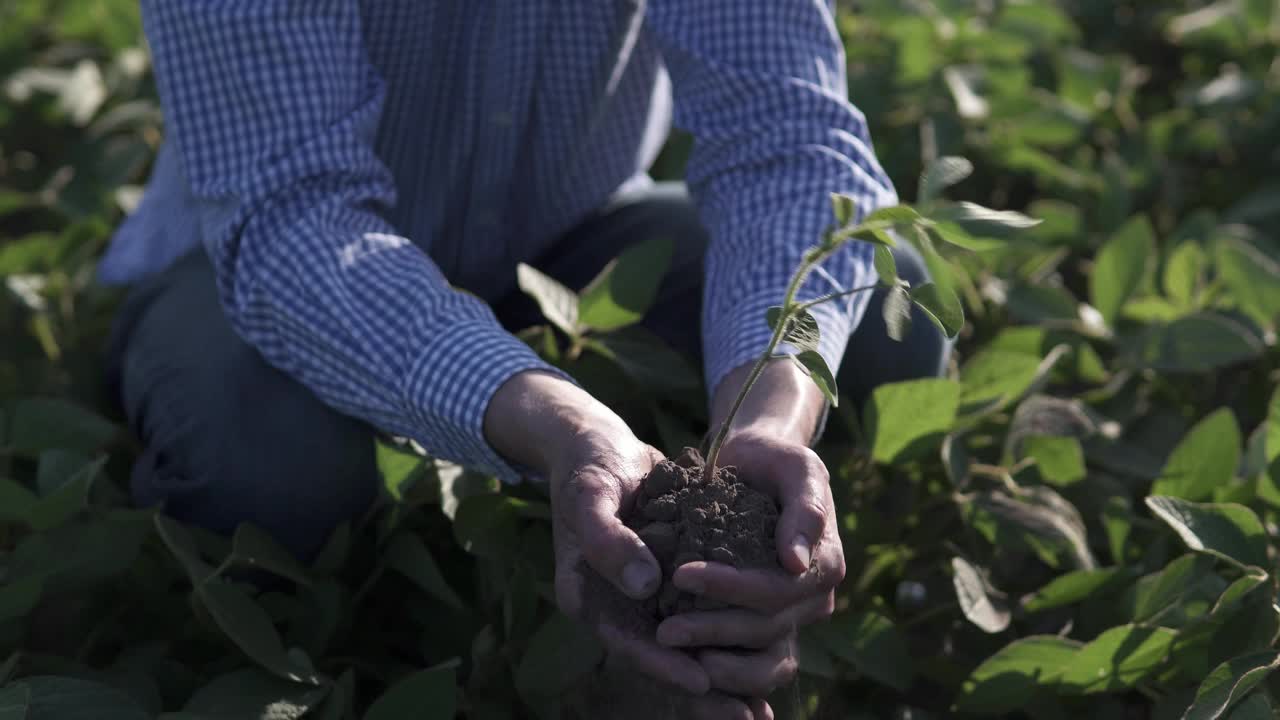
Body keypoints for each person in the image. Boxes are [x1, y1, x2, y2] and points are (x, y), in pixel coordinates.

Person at [100, 3, 949, 718]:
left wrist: (769, 415)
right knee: (270, 471)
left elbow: (789, 141)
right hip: (260, 269)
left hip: (566, 244)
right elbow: (289, 216)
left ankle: (704, 626)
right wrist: (561, 423)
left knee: (886, 314)